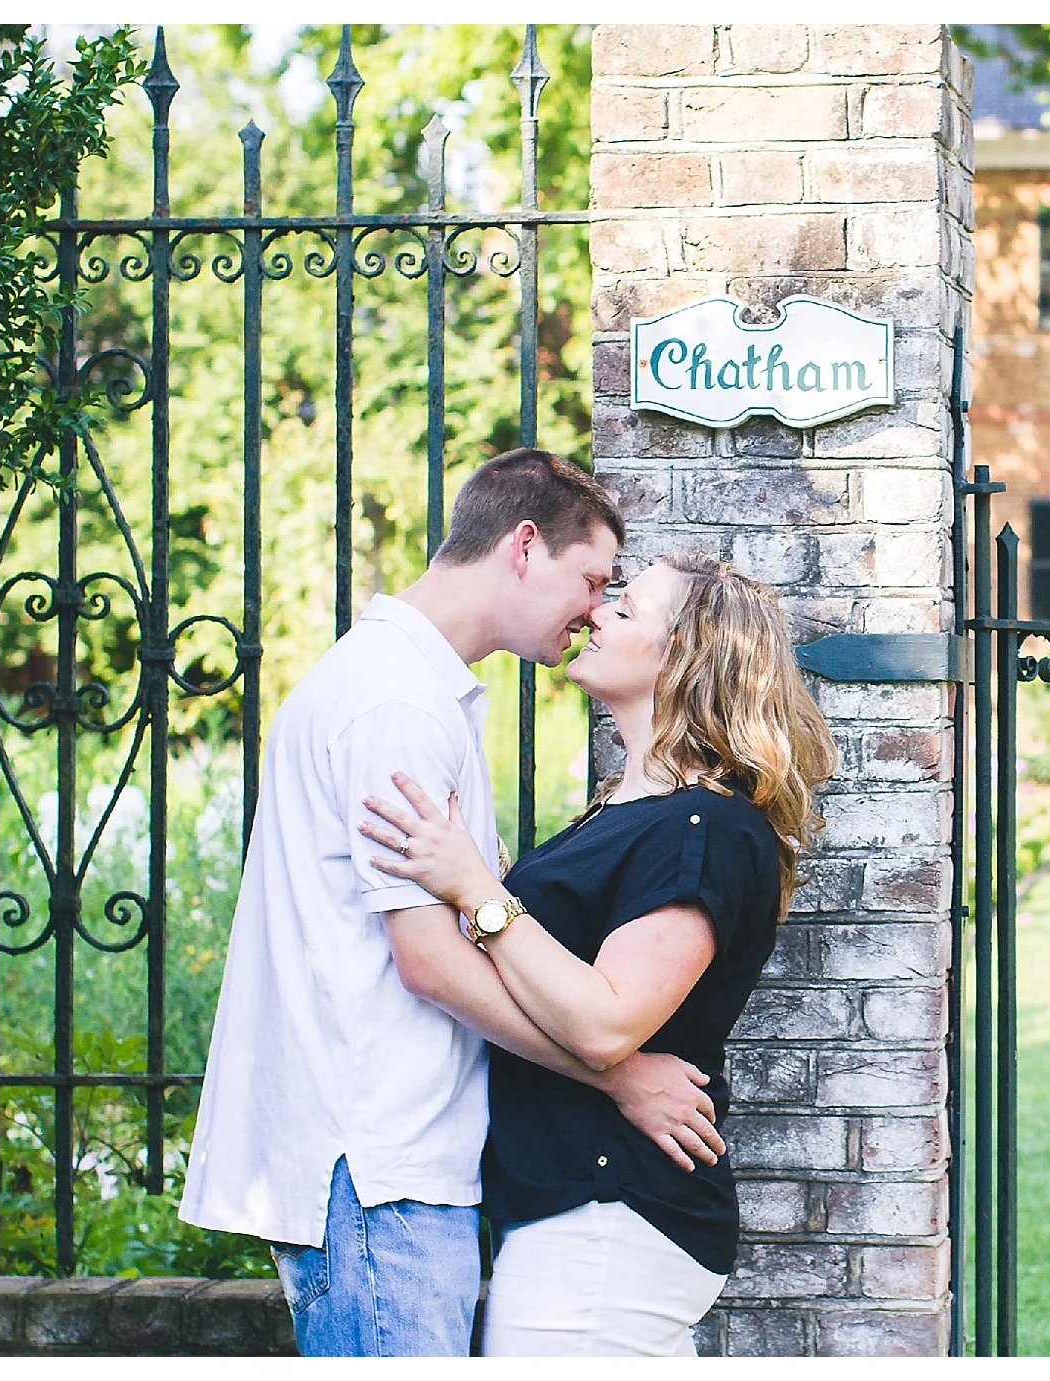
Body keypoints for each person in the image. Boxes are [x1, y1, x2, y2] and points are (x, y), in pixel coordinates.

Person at [179, 449, 726, 1358]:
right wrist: (618, 1073)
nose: (594, 608)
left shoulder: (412, 686)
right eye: (590, 578)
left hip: (392, 1162)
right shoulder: (395, 703)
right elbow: (429, 957)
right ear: (523, 546)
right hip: (377, 1163)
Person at [357, 551, 837, 1356]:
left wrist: (480, 888)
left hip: (607, 1219)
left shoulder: (705, 828)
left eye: (631, 607)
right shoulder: (631, 809)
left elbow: (608, 1021)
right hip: (579, 1221)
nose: (600, 613)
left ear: (686, 655)